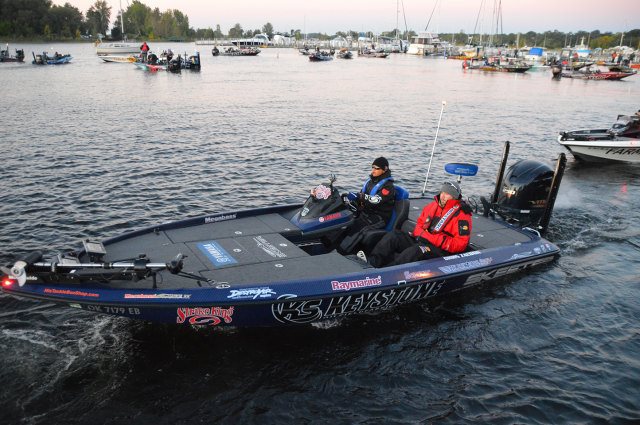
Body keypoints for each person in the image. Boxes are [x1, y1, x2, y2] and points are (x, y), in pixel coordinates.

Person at [362, 181, 472, 267]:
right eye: (442, 192)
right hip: (422, 239)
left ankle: (387, 272)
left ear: (454, 196)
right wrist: (421, 234)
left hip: (440, 250)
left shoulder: (462, 216)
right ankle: (372, 262)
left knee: (416, 251)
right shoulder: (432, 206)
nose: (442, 196)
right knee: (394, 235)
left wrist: (434, 239)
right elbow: (419, 224)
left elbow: (461, 244)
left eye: (447, 194)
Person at [321, 157, 396, 254]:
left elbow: (376, 200)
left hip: (379, 217)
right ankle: (328, 243)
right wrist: (352, 199)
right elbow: (362, 196)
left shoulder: (388, 187)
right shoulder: (371, 182)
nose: (373, 171)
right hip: (366, 212)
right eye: (372, 167)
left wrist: (359, 196)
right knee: (345, 221)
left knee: (358, 228)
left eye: (376, 168)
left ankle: (342, 252)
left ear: (384, 169)